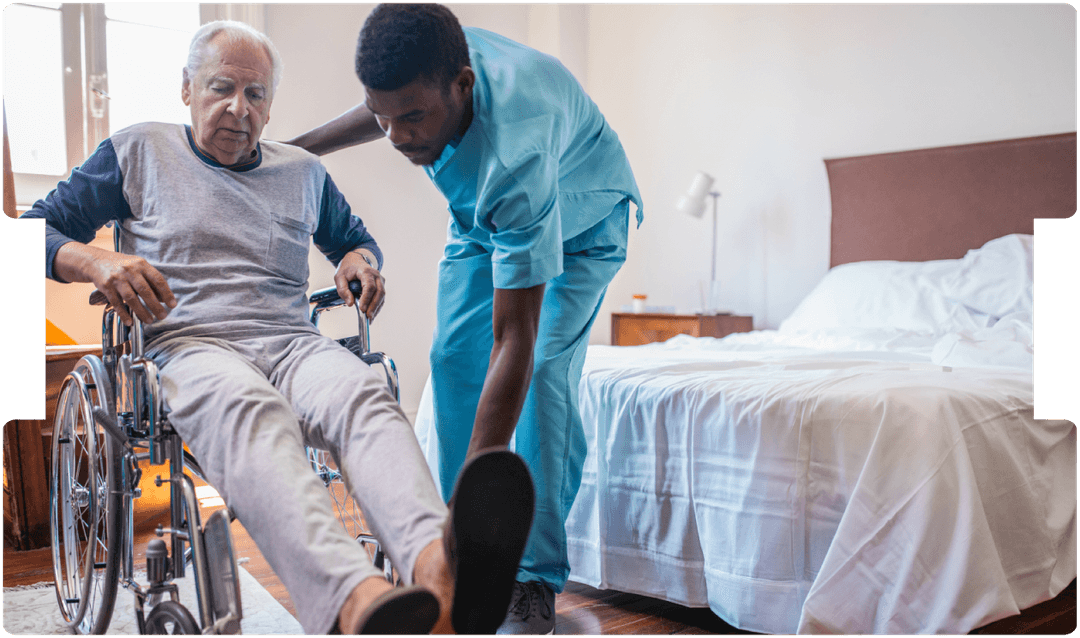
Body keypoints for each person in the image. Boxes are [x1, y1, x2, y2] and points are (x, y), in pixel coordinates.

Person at [25, 19, 535, 636]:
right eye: (221, 89)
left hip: (292, 343)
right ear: (187, 89)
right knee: (254, 410)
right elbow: (26, 237)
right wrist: (94, 258)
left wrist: (359, 261)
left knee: (363, 395)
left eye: (257, 95)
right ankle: (355, 599)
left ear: (270, 106)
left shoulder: (302, 171)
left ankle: (441, 573)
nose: (239, 109)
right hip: (190, 344)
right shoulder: (138, 151)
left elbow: (354, 240)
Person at [287, 4, 643, 634]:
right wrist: (298, 151)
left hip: (583, 222)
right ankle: (446, 560)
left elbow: (516, 338)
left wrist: (477, 503)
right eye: (384, 117)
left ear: (463, 86)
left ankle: (529, 577)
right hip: (486, 220)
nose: (396, 136)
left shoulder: (516, 155)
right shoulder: (433, 54)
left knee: (545, 375)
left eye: (413, 118)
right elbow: (390, 107)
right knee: (452, 362)